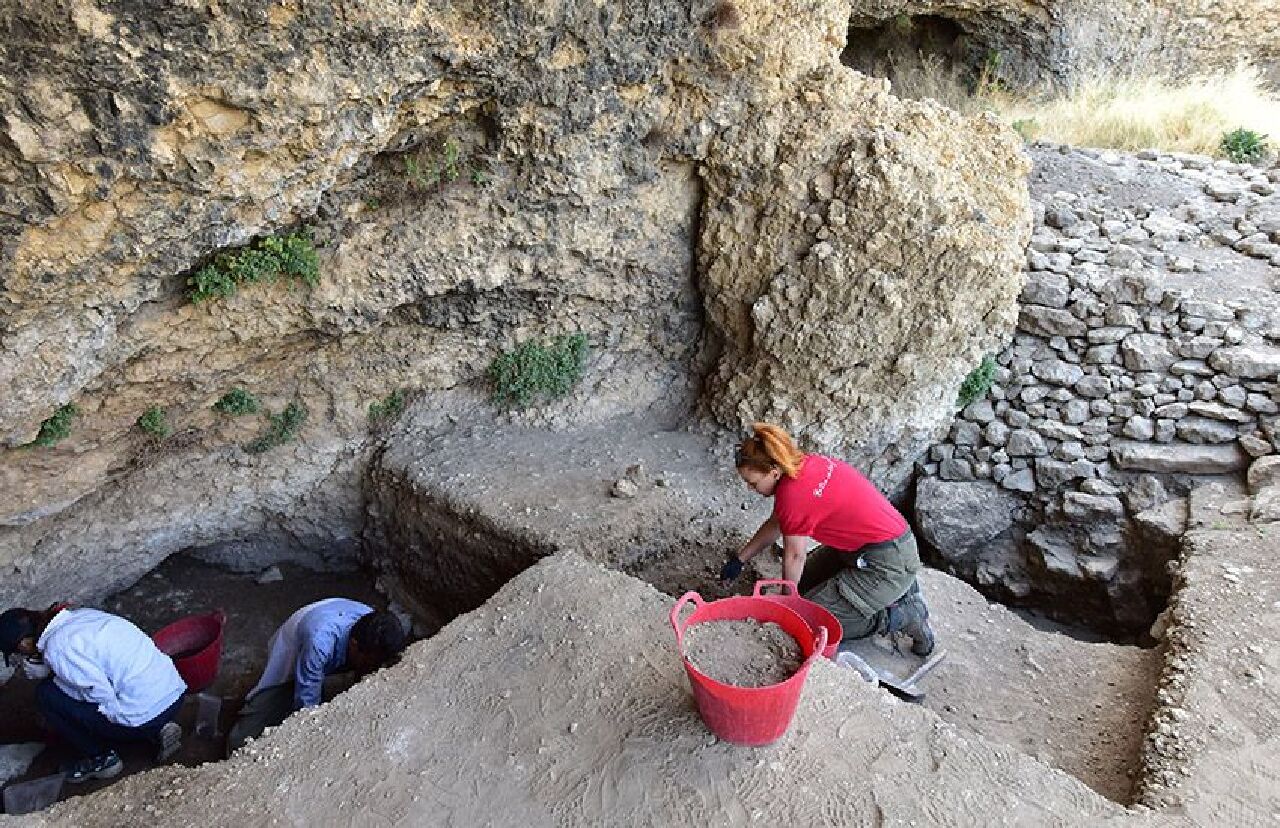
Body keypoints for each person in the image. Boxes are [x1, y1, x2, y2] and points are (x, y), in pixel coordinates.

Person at [720, 422, 936, 656]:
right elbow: (777, 523)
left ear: (773, 472)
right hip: (861, 547)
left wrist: (787, 605)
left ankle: (902, 615)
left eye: (753, 483)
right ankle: (892, 590)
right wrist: (741, 559)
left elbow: (794, 555)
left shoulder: (792, 495)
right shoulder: (803, 465)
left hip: (886, 561)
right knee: (801, 591)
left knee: (808, 622)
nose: (752, 489)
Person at [0, 604, 185, 783]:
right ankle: (159, 727)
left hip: (146, 719)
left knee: (47, 695)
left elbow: (99, 695)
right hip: (173, 694)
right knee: (125, 681)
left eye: (18, 653)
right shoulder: (81, 616)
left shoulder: (57, 648)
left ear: (24, 644)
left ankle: (102, 759)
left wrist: (54, 676)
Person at [227, 598, 406, 754]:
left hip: (332, 632)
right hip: (296, 642)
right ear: (353, 645)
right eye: (370, 662)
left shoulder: (374, 628)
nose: (374, 668)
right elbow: (306, 708)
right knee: (249, 728)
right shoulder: (319, 643)